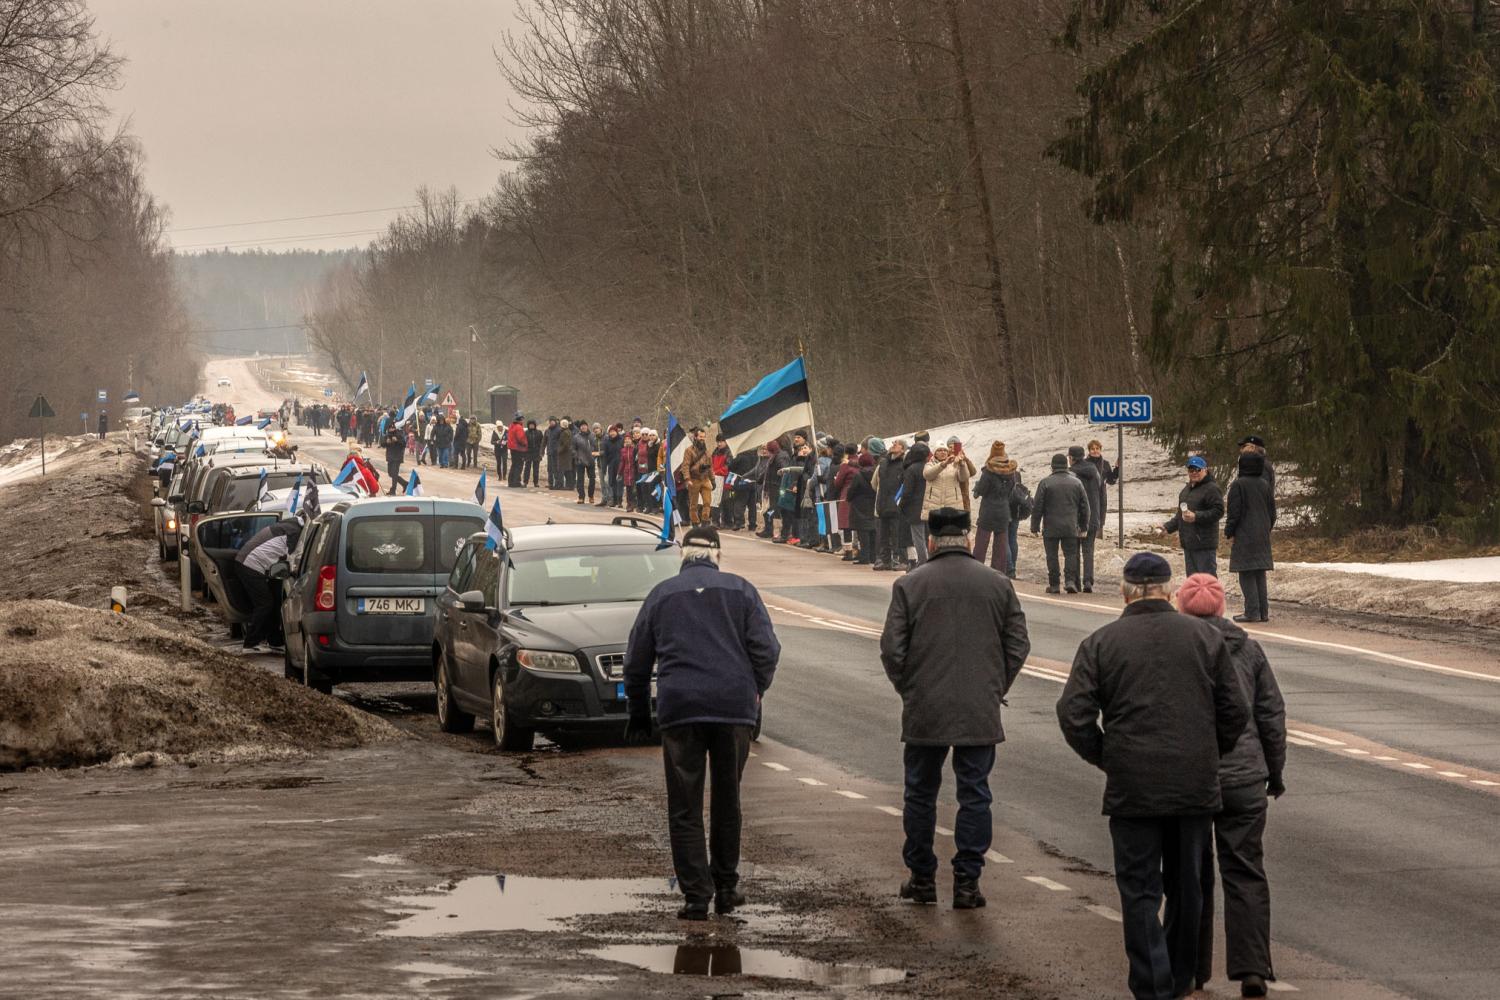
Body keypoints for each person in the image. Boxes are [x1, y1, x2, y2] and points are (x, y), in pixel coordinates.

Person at [1056, 553, 1250, 1000]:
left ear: (1124, 592)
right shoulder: (1204, 638)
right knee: (1188, 888)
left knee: (1139, 890)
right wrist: (1207, 752)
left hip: (1133, 787)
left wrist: (1108, 756)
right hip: (1194, 786)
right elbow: (1235, 710)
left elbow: (1074, 714)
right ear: (1169, 591)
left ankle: (1152, 982)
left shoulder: (1101, 643)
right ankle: (1180, 979)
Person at [623, 525, 781, 921]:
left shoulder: (662, 595)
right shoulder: (741, 591)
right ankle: (726, 888)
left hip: (681, 710)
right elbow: (767, 650)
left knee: (685, 806)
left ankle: (696, 896)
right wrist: (754, 689)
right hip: (733, 709)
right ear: (717, 555)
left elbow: (637, 661)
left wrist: (638, 713)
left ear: (683, 556)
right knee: (728, 800)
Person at [880, 507, 1031, 909]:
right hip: (978, 709)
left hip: (925, 708)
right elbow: (1018, 645)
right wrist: (995, 686)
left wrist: (910, 689)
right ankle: (967, 882)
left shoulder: (910, 584)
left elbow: (892, 650)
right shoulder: (998, 583)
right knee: (975, 795)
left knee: (920, 794)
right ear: (967, 540)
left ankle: (922, 878)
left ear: (930, 542)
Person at [1176, 574, 1286, 999]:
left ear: (1183, 609)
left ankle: (1192, 970)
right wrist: (1273, 773)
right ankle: (1252, 969)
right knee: (1245, 871)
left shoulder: (1179, 651)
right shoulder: (1250, 650)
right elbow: (1271, 716)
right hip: (1244, 779)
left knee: (1192, 873)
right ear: (1222, 608)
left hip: (1194, 777)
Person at [234, 516, 305, 651]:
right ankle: (250, 642)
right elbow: (294, 559)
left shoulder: (289, 526)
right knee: (265, 604)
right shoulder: (295, 533)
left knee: (275, 601)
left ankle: (275, 640)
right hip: (250, 565)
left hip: (255, 564)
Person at [1226, 451, 1276, 623]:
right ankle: (1263, 612)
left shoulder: (1238, 485)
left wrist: (1229, 531)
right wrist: (1265, 528)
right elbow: (1272, 513)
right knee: (1259, 573)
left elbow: (1234, 512)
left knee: (1246, 572)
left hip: (1244, 534)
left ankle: (1252, 612)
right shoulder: (1264, 484)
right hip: (1262, 533)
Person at [1029, 453, 1089, 594]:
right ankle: (1069, 581)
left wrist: (1035, 526)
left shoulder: (1045, 483)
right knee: (1070, 554)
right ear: (1066, 466)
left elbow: (1038, 506)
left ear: (1052, 466)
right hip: (1070, 525)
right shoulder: (1076, 482)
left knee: (1052, 555)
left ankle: (1054, 584)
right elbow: (1085, 506)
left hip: (1050, 526)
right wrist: (1083, 525)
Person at [1164, 456, 1224, 578]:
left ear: (1205, 470)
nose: (1194, 473)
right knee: (1193, 583)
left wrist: (1197, 516)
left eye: (1198, 469)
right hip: (1189, 543)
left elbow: (1219, 511)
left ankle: (1212, 598)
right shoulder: (1186, 490)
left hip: (1204, 545)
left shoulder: (1212, 488)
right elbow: (1180, 515)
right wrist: (1167, 527)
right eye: (1191, 470)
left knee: (1207, 582)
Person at [970, 442, 1015, 572]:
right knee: (1000, 546)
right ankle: (998, 573)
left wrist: (978, 488)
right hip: (1003, 511)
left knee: (981, 543)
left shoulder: (988, 472)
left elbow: (982, 491)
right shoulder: (1011, 471)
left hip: (988, 511)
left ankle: (976, 570)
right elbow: (1011, 490)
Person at [1069, 445, 1104, 593]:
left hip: (1077, 518)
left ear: (1071, 458)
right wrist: (1100, 517)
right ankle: (1088, 581)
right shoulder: (1095, 471)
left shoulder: (1071, 474)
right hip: (1093, 516)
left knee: (1075, 550)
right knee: (1088, 550)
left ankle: (1075, 581)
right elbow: (1102, 495)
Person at [870, 438, 905, 570]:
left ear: (903, 448)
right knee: (883, 534)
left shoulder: (904, 463)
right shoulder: (883, 463)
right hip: (883, 503)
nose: (893, 445)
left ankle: (898, 559)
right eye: (893, 443)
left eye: (897, 443)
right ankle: (884, 560)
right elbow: (874, 484)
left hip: (897, 504)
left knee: (897, 534)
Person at [899, 439, 931, 566]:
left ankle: (923, 562)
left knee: (918, 538)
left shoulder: (911, 470)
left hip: (914, 508)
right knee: (929, 536)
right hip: (930, 506)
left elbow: (907, 492)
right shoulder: (930, 467)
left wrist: (902, 505)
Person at [1087, 439, 1120, 535]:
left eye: (1097, 448)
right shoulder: (1084, 463)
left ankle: (1099, 535)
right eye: (1092, 449)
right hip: (1088, 495)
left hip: (1101, 496)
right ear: (1089, 451)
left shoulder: (1105, 464)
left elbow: (1111, 480)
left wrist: (1117, 469)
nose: (1095, 451)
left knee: (1100, 519)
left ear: (1100, 450)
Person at [684, 427, 713, 525]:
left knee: (707, 502)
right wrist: (687, 479)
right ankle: (695, 523)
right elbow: (686, 466)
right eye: (700, 436)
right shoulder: (689, 450)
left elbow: (710, 467)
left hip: (705, 479)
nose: (702, 438)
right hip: (694, 479)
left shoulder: (707, 451)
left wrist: (713, 480)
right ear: (695, 437)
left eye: (704, 437)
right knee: (693, 505)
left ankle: (705, 521)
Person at [573, 420, 596, 504]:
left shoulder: (593, 436)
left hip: (591, 461)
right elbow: (573, 449)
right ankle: (581, 497)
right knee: (580, 480)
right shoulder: (576, 437)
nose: (583, 427)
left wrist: (594, 456)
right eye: (582, 426)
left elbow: (596, 447)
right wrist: (577, 456)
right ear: (580, 427)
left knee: (592, 479)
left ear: (587, 426)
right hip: (580, 461)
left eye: (585, 425)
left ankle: (591, 496)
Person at [381, 423, 406, 496]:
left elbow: (404, 444)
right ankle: (404, 483)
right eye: (390, 428)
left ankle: (393, 490)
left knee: (394, 474)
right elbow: (382, 444)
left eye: (393, 428)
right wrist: (386, 442)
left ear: (395, 428)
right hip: (390, 457)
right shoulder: (387, 436)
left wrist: (397, 441)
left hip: (397, 457)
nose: (391, 429)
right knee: (390, 473)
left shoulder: (399, 435)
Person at [506, 412, 528, 488]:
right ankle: (516, 482)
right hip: (518, 448)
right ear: (520, 419)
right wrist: (525, 443)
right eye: (522, 419)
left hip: (512, 448)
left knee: (514, 465)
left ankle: (511, 481)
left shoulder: (511, 426)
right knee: (519, 466)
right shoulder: (519, 427)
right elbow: (521, 438)